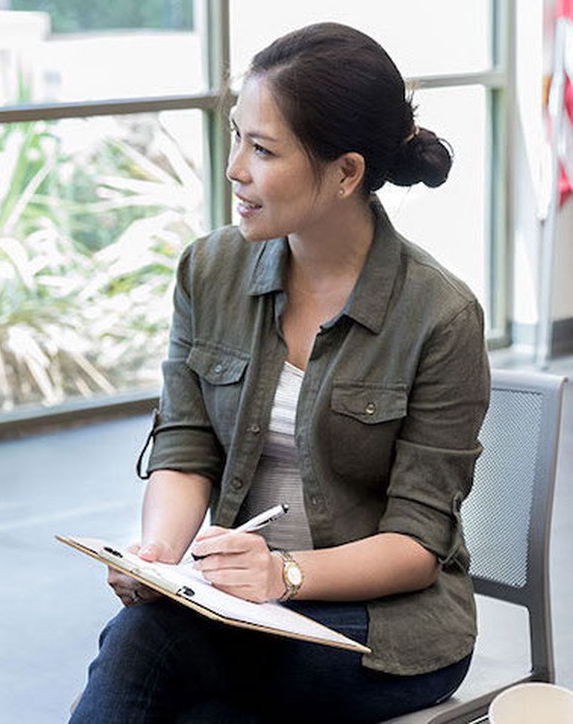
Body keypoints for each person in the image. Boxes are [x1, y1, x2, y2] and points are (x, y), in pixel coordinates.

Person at [71, 22, 490, 724]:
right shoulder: (209, 270)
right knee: (161, 647)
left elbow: (418, 546)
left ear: (347, 172)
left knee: (167, 663)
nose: (235, 167)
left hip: (385, 628)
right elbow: (185, 444)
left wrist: (283, 575)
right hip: (237, 609)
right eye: (238, 136)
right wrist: (158, 559)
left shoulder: (440, 316)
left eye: (262, 149)